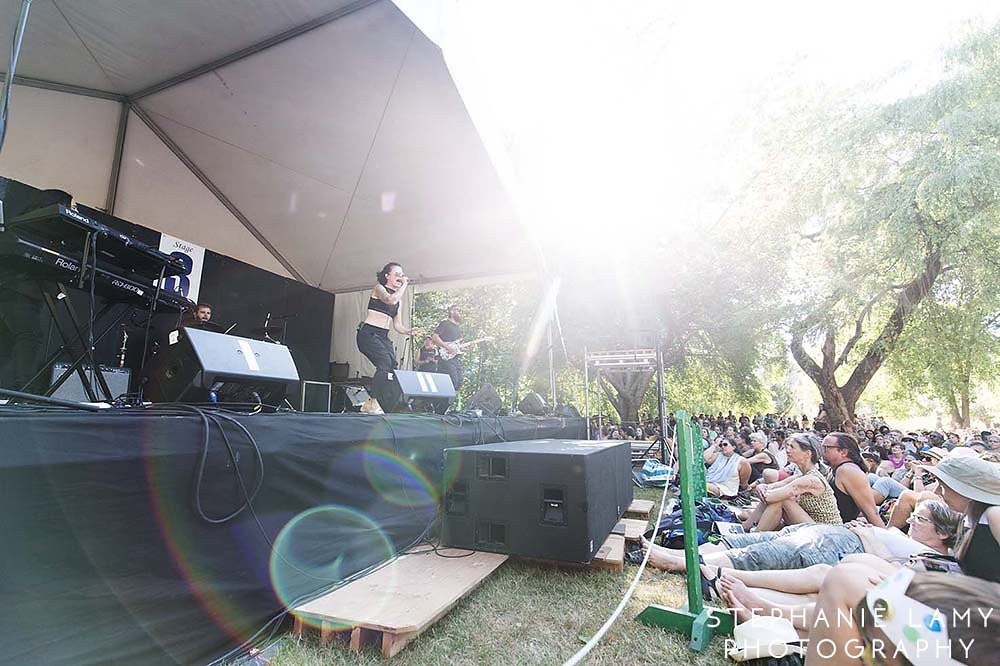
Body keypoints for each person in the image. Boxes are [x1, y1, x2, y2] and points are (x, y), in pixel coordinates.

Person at [644, 498, 960, 575]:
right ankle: (678, 555)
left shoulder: (934, 559)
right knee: (756, 542)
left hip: (844, 546)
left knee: (766, 554)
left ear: (943, 533)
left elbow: (891, 569)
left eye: (920, 519)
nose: (913, 522)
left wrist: (869, 534)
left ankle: (679, 563)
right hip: (834, 534)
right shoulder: (914, 542)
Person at [740, 432, 842, 531]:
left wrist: (763, 489)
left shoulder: (811, 480)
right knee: (778, 502)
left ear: (807, 454)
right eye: (787, 446)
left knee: (782, 499)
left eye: (792, 447)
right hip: (812, 525)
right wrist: (761, 487)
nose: (787, 450)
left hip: (827, 531)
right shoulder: (801, 476)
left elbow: (770, 497)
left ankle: (754, 535)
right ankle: (746, 527)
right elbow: (776, 486)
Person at [356, 262, 420, 413]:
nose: (400, 277)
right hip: (368, 334)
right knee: (384, 361)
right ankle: (372, 401)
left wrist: (408, 331)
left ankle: (381, 404)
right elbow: (390, 300)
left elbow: (397, 325)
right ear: (387, 276)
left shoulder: (399, 300)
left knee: (392, 367)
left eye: (402, 274)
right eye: (397, 274)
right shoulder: (379, 288)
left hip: (383, 336)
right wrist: (404, 285)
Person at [823, 432, 886, 526]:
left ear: (843, 452)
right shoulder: (834, 469)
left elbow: (871, 512)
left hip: (838, 530)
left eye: (826, 447)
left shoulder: (848, 471)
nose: (822, 451)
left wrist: (883, 538)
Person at [432, 305, 464, 391]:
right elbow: (435, 337)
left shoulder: (458, 328)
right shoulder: (445, 323)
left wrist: (467, 347)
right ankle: (440, 402)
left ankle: (448, 402)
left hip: (456, 358)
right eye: (458, 311)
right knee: (452, 381)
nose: (461, 313)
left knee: (459, 382)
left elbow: (457, 346)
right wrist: (447, 347)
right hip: (446, 358)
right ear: (451, 311)